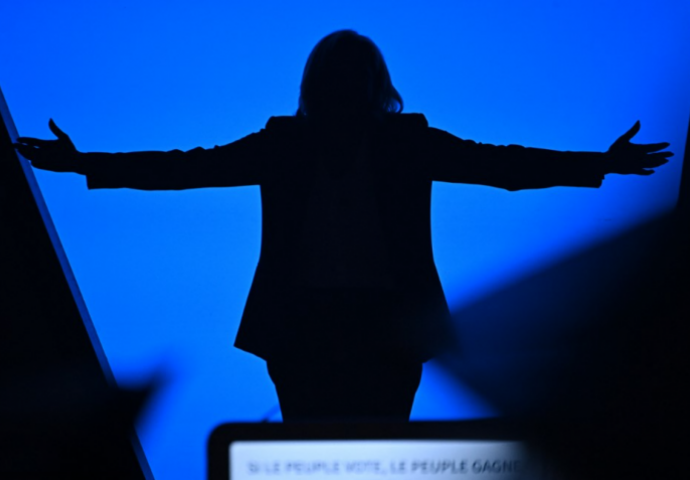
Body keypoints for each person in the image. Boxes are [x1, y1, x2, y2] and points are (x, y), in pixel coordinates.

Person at [14, 29, 672, 422]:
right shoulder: (291, 145)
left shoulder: (399, 144)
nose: (346, 87)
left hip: (378, 324)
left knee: (366, 451)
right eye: (340, 76)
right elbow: (187, 169)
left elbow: (499, 165)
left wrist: (599, 164)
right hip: (313, 325)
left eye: (353, 76)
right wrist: (85, 163)